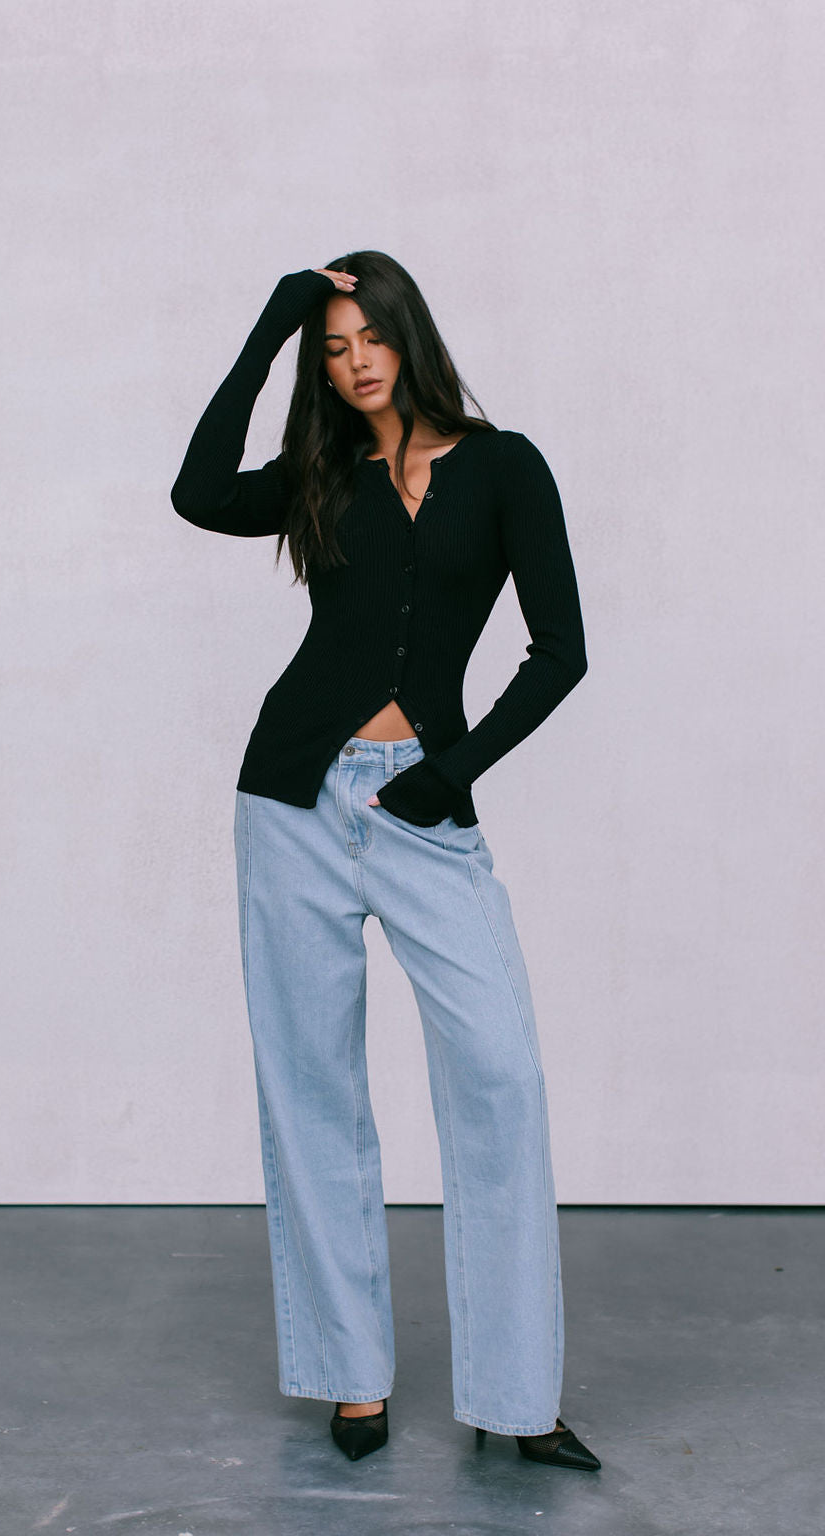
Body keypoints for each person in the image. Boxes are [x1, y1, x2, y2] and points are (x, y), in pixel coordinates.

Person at [170, 252, 599, 1471]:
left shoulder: (504, 467)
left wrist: (451, 774)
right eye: (332, 348)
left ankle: (516, 1398)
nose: (354, 363)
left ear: (411, 335)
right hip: (290, 803)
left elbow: (560, 651)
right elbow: (197, 493)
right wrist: (272, 326)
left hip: (421, 805)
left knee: (501, 1078)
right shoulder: (322, 474)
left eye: (369, 337)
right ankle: (349, 1378)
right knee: (311, 1089)